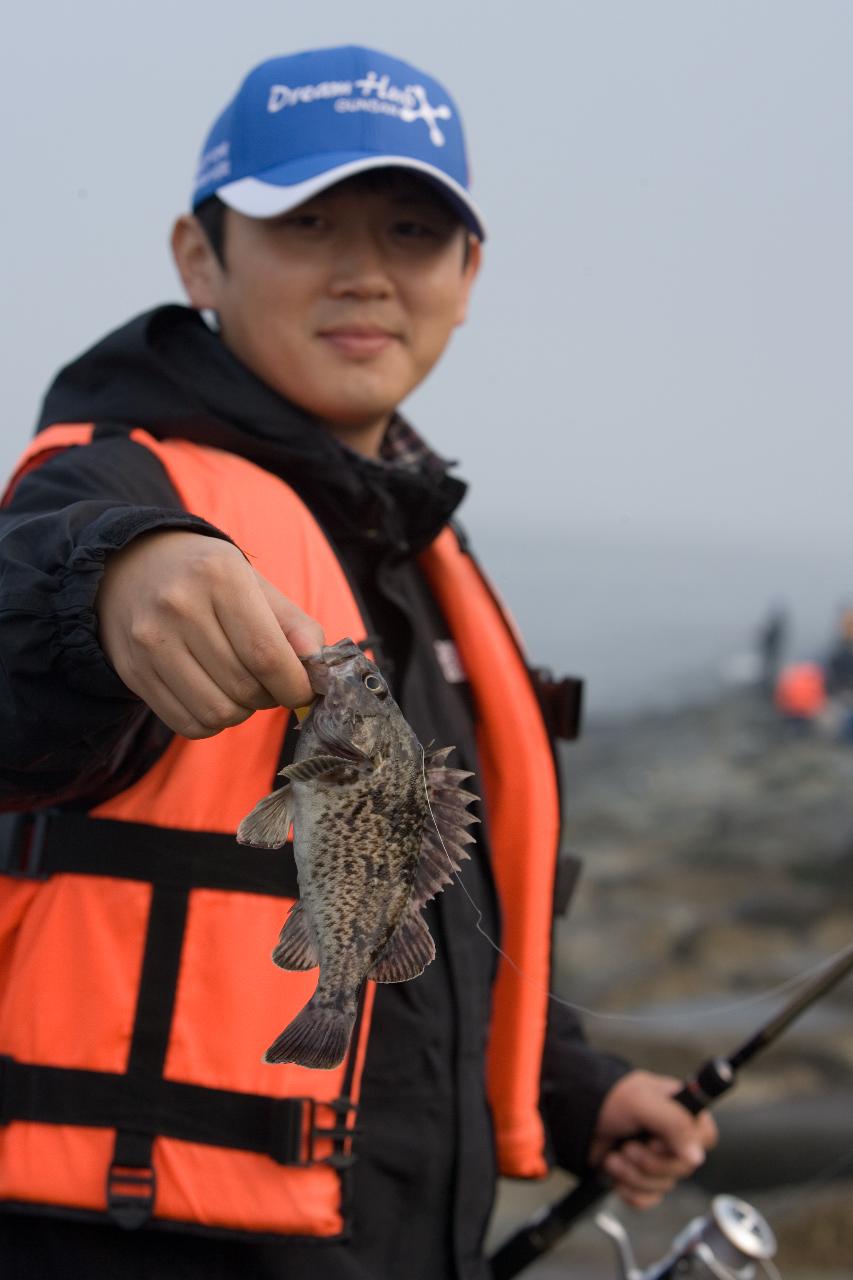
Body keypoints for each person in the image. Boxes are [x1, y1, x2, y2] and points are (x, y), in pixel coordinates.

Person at [0, 45, 716, 1280]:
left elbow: (426, 905)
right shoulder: (113, 480)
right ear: (197, 255)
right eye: (306, 222)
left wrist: (572, 1083)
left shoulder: (417, 553)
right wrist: (104, 585)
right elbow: (27, 595)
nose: (365, 270)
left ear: (467, 273)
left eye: (410, 229)